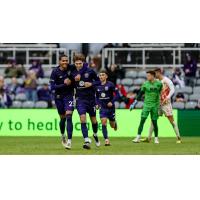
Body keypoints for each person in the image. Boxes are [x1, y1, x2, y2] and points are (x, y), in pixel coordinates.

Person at [144, 68, 182, 143]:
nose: (154, 75)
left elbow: (172, 89)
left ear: (159, 73)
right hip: (158, 104)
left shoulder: (166, 80)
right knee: (153, 120)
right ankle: (149, 138)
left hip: (166, 104)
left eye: (155, 74)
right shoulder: (156, 81)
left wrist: (167, 97)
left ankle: (179, 138)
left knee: (171, 120)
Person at [72, 53, 100, 149]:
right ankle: (86, 140)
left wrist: (91, 84)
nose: (78, 65)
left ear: (83, 63)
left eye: (80, 63)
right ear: (74, 63)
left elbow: (99, 82)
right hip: (80, 99)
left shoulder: (90, 71)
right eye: (77, 63)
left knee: (94, 120)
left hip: (91, 99)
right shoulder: (72, 72)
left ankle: (95, 134)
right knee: (82, 118)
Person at [50, 54, 75, 149]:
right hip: (58, 97)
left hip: (68, 96)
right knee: (62, 118)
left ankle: (69, 141)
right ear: (59, 62)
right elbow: (52, 87)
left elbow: (82, 65)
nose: (65, 62)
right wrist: (64, 84)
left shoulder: (71, 68)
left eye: (66, 60)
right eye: (63, 61)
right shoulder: (55, 72)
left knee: (69, 116)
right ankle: (62, 135)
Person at [130, 71, 162, 144]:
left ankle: (156, 138)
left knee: (154, 122)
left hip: (155, 106)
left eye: (149, 75)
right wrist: (134, 103)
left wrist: (160, 105)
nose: (147, 77)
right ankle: (138, 137)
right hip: (146, 105)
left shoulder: (159, 84)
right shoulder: (145, 84)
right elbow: (140, 94)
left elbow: (160, 94)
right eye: (147, 75)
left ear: (153, 76)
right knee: (142, 121)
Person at [93, 70, 119, 146]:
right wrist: (97, 104)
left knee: (112, 125)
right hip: (103, 107)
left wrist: (112, 102)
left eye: (103, 75)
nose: (101, 76)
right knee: (103, 122)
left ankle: (114, 123)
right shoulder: (97, 85)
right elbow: (96, 97)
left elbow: (117, 95)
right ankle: (106, 140)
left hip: (111, 108)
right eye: (100, 75)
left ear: (106, 76)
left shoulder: (110, 84)